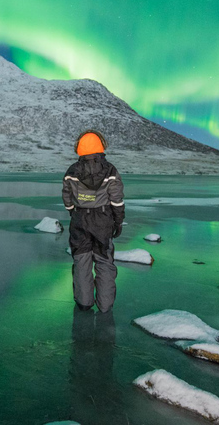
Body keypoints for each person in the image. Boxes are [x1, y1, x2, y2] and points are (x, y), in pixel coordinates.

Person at [62, 130, 125, 313]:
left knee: (81, 261)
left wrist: (73, 211)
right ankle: (105, 306)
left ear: (79, 148)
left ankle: (84, 303)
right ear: (101, 146)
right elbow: (116, 199)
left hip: (80, 219)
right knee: (104, 261)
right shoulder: (110, 170)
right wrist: (118, 221)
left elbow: (67, 196)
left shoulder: (72, 171)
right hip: (103, 220)